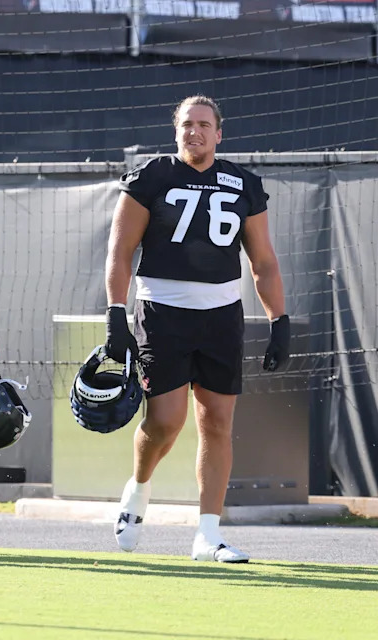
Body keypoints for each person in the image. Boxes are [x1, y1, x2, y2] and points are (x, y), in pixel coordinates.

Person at [105, 95, 290, 563]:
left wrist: (279, 320)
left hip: (221, 316)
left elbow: (263, 262)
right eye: (188, 124)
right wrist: (115, 314)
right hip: (162, 312)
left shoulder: (243, 184)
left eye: (205, 125)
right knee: (166, 421)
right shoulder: (152, 176)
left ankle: (208, 535)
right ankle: (139, 487)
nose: (196, 132)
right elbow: (120, 251)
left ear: (219, 133)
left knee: (217, 423)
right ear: (177, 131)